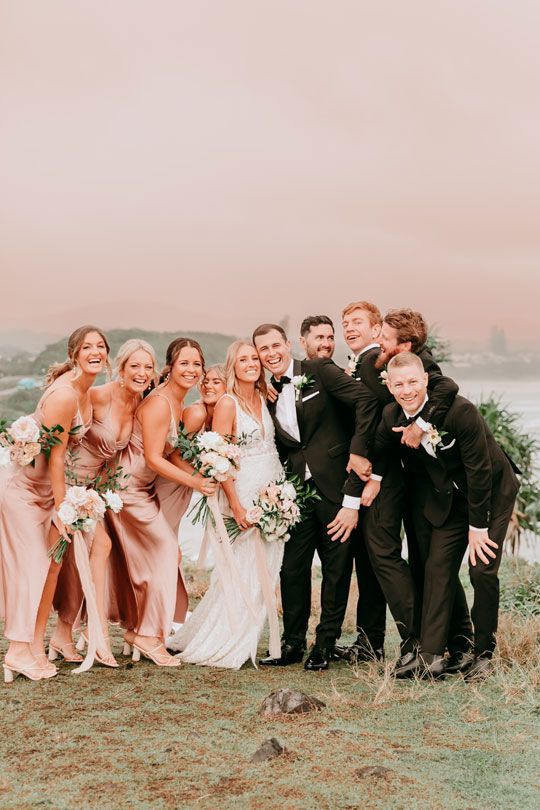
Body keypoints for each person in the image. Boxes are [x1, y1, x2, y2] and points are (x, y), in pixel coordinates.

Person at [369, 352, 519, 681]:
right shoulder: (391, 415)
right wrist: (373, 480)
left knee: (481, 570)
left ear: (425, 380)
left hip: (491, 495)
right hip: (448, 500)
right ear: (390, 387)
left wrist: (478, 527)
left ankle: (484, 654)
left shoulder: (460, 412)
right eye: (399, 384)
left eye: (413, 382)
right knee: (437, 568)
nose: (407, 390)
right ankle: (431, 657)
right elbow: (377, 449)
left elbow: (480, 472)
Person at [253, 323, 378, 670]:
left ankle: (325, 644)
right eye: (263, 349)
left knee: (336, 571)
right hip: (296, 495)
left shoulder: (319, 370)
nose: (271, 353)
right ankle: (293, 642)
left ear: (288, 344)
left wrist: (358, 452)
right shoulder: (267, 392)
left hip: (338, 489)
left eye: (275, 345)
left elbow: (365, 401)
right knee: (292, 569)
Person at [169, 341, 285, 668]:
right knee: (239, 568)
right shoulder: (227, 403)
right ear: (233, 365)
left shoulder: (263, 397)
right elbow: (220, 459)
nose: (251, 364)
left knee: (265, 569)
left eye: (254, 358)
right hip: (242, 492)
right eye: (243, 359)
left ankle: (248, 634)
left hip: (272, 490)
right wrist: (234, 504)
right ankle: (227, 638)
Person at [0, 325, 108, 681]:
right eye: (87, 347)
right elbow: (57, 458)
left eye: (101, 346)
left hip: (47, 491)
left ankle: (33, 645)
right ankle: (17, 651)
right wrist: (66, 510)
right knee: (32, 564)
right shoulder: (64, 396)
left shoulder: (86, 391)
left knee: (50, 567)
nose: (95, 352)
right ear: (74, 354)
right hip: (23, 491)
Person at [105, 338, 217, 667]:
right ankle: (150, 637)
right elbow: (154, 458)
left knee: (157, 558)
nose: (191, 370)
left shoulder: (178, 402)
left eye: (197, 364)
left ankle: (138, 629)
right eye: (184, 363)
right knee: (166, 551)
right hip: (128, 489)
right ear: (169, 367)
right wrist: (196, 482)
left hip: (142, 488)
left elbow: (170, 453)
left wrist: (202, 471)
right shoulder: (159, 403)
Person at [53, 339, 159, 667]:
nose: (142, 373)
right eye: (135, 366)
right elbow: (58, 424)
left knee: (86, 555)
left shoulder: (142, 403)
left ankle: (65, 634)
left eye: (148, 367)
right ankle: (92, 632)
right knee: (91, 550)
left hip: (91, 490)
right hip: (66, 482)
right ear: (121, 369)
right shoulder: (98, 395)